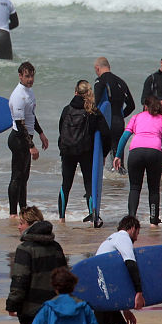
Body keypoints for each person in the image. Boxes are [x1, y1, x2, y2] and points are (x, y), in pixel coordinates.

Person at [5, 206, 68, 324]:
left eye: (21, 223)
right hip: (55, 307)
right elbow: (64, 277)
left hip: (31, 309)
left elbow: (20, 279)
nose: (18, 227)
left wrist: (12, 304)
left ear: (31, 225)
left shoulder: (25, 249)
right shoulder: (56, 247)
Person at [92, 216, 152, 324]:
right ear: (132, 228)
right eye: (137, 233)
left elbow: (115, 278)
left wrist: (125, 309)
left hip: (102, 291)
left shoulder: (113, 240)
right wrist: (139, 292)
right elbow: (131, 264)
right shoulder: (123, 237)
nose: (137, 238)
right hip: (101, 294)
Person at [114, 96, 162, 226]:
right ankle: (153, 221)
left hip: (135, 153)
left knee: (134, 188)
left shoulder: (136, 117)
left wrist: (118, 155)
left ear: (145, 106)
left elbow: (124, 137)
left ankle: (131, 221)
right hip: (154, 154)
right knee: (154, 189)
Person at [56, 79, 110, 222]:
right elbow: (106, 134)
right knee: (89, 185)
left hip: (67, 151)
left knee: (65, 185)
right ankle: (92, 217)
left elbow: (61, 130)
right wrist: (103, 154)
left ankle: (61, 219)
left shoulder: (66, 109)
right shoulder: (93, 111)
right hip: (86, 152)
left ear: (75, 92)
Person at [8, 61, 48, 218]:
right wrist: (31, 146)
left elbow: (31, 116)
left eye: (32, 76)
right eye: (27, 76)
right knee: (17, 177)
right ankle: (12, 213)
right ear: (20, 76)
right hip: (18, 139)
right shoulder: (19, 95)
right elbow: (20, 124)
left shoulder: (29, 92)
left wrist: (41, 133)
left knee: (24, 177)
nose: (30, 79)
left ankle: (23, 209)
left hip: (25, 138)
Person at [93, 57, 135, 157]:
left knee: (101, 154)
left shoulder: (100, 81)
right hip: (119, 122)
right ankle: (120, 172)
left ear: (97, 68)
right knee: (117, 156)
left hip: (105, 123)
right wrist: (119, 116)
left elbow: (96, 102)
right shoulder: (121, 82)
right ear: (109, 67)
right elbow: (131, 105)